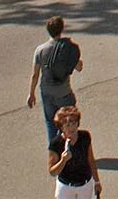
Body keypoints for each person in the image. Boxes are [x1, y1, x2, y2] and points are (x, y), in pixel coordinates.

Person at [27, 16, 83, 146]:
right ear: (61, 30)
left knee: (50, 122)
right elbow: (79, 67)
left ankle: (54, 149)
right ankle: (68, 147)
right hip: (64, 92)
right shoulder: (67, 48)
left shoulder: (40, 50)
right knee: (69, 122)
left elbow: (35, 75)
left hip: (46, 92)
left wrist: (31, 93)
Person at [46, 106, 101, 199]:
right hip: (66, 187)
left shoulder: (85, 136)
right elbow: (52, 172)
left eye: (74, 123)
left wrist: (97, 181)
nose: (72, 127)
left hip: (85, 185)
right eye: (67, 125)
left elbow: (90, 160)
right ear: (61, 127)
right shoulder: (56, 143)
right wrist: (63, 160)